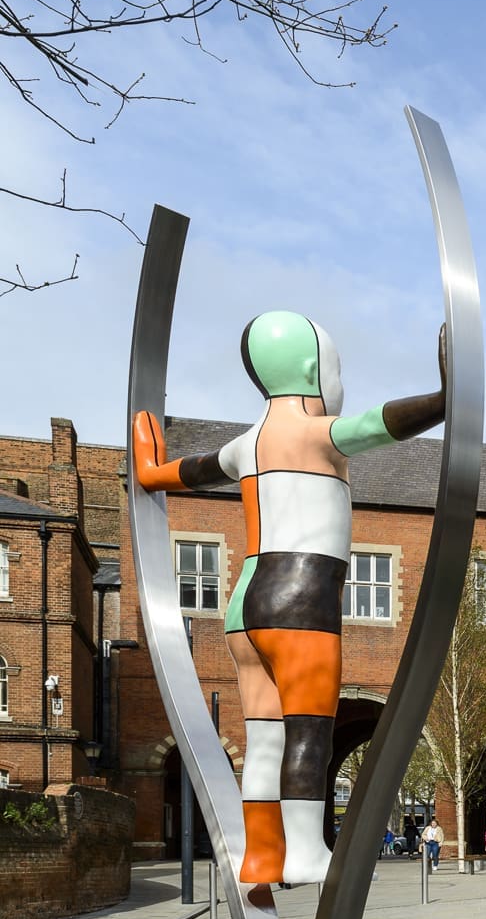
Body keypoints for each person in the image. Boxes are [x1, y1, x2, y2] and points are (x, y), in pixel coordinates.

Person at [134, 314, 446, 885]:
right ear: (310, 370)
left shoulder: (243, 446)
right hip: (301, 604)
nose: (340, 384)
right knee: (309, 732)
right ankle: (303, 851)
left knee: (264, 739)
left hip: (244, 609)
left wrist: (150, 471)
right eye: (336, 370)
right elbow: (382, 424)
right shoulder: (314, 432)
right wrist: (445, 399)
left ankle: (260, 855)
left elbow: (190, 471)